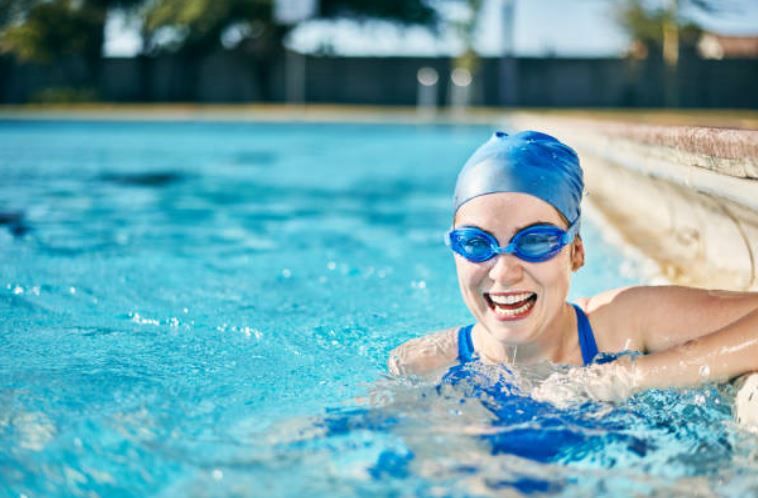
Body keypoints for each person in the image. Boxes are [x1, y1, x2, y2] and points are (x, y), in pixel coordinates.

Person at [388, 130, 758, 404]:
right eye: (475, 243)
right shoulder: (421, 364)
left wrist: (626, 376)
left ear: (576, 252)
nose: (502, 272)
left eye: (535, 241)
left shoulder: (622, 323)